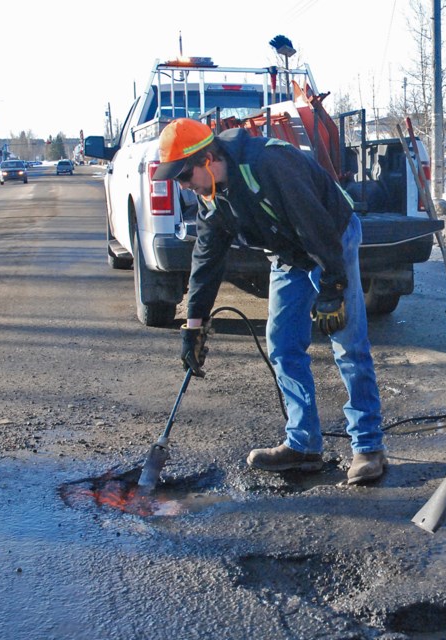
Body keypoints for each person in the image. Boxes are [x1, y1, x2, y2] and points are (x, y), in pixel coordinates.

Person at [152, 118, 386, 485]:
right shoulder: (213, 198)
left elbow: (316, 224)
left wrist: (332, 288)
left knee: (347, 343)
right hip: (287, 253)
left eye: (183, 176)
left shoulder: (269, 164)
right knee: (282, 345)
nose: (184, 187)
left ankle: (368, 447)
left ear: (208, 160)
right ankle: (303, 445)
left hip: (331, 237)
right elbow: (206, 260)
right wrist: (194, 326)